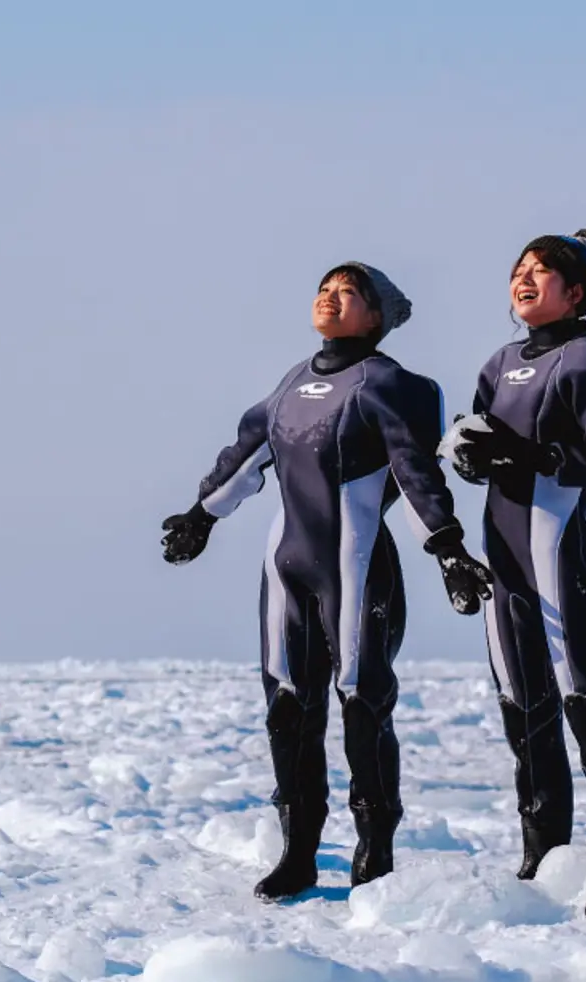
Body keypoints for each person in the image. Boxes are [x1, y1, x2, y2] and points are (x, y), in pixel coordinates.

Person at [162, 263, 492, 901]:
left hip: (357, 565)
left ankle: (374, 852)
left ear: (377, 318)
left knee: (363, 704)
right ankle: (299, 852)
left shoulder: (389, 384)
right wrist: (202, 515)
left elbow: (417, 473)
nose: (329, 298)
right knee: (288, 708)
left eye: (348, 293)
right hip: (286, 569)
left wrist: (448, 549)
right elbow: (247, 452)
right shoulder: (292, 383)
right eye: (324, 288)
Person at [442, 229, 586, 916]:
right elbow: (474, 439)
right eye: (520, 268)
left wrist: (523, 454)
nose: (525, 279)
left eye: (544, 271)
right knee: (524, 714)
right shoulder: (499, 362)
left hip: (560, 560)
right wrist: (467, 453)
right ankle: (544, 859)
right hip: (505, 565)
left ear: (578, 292)